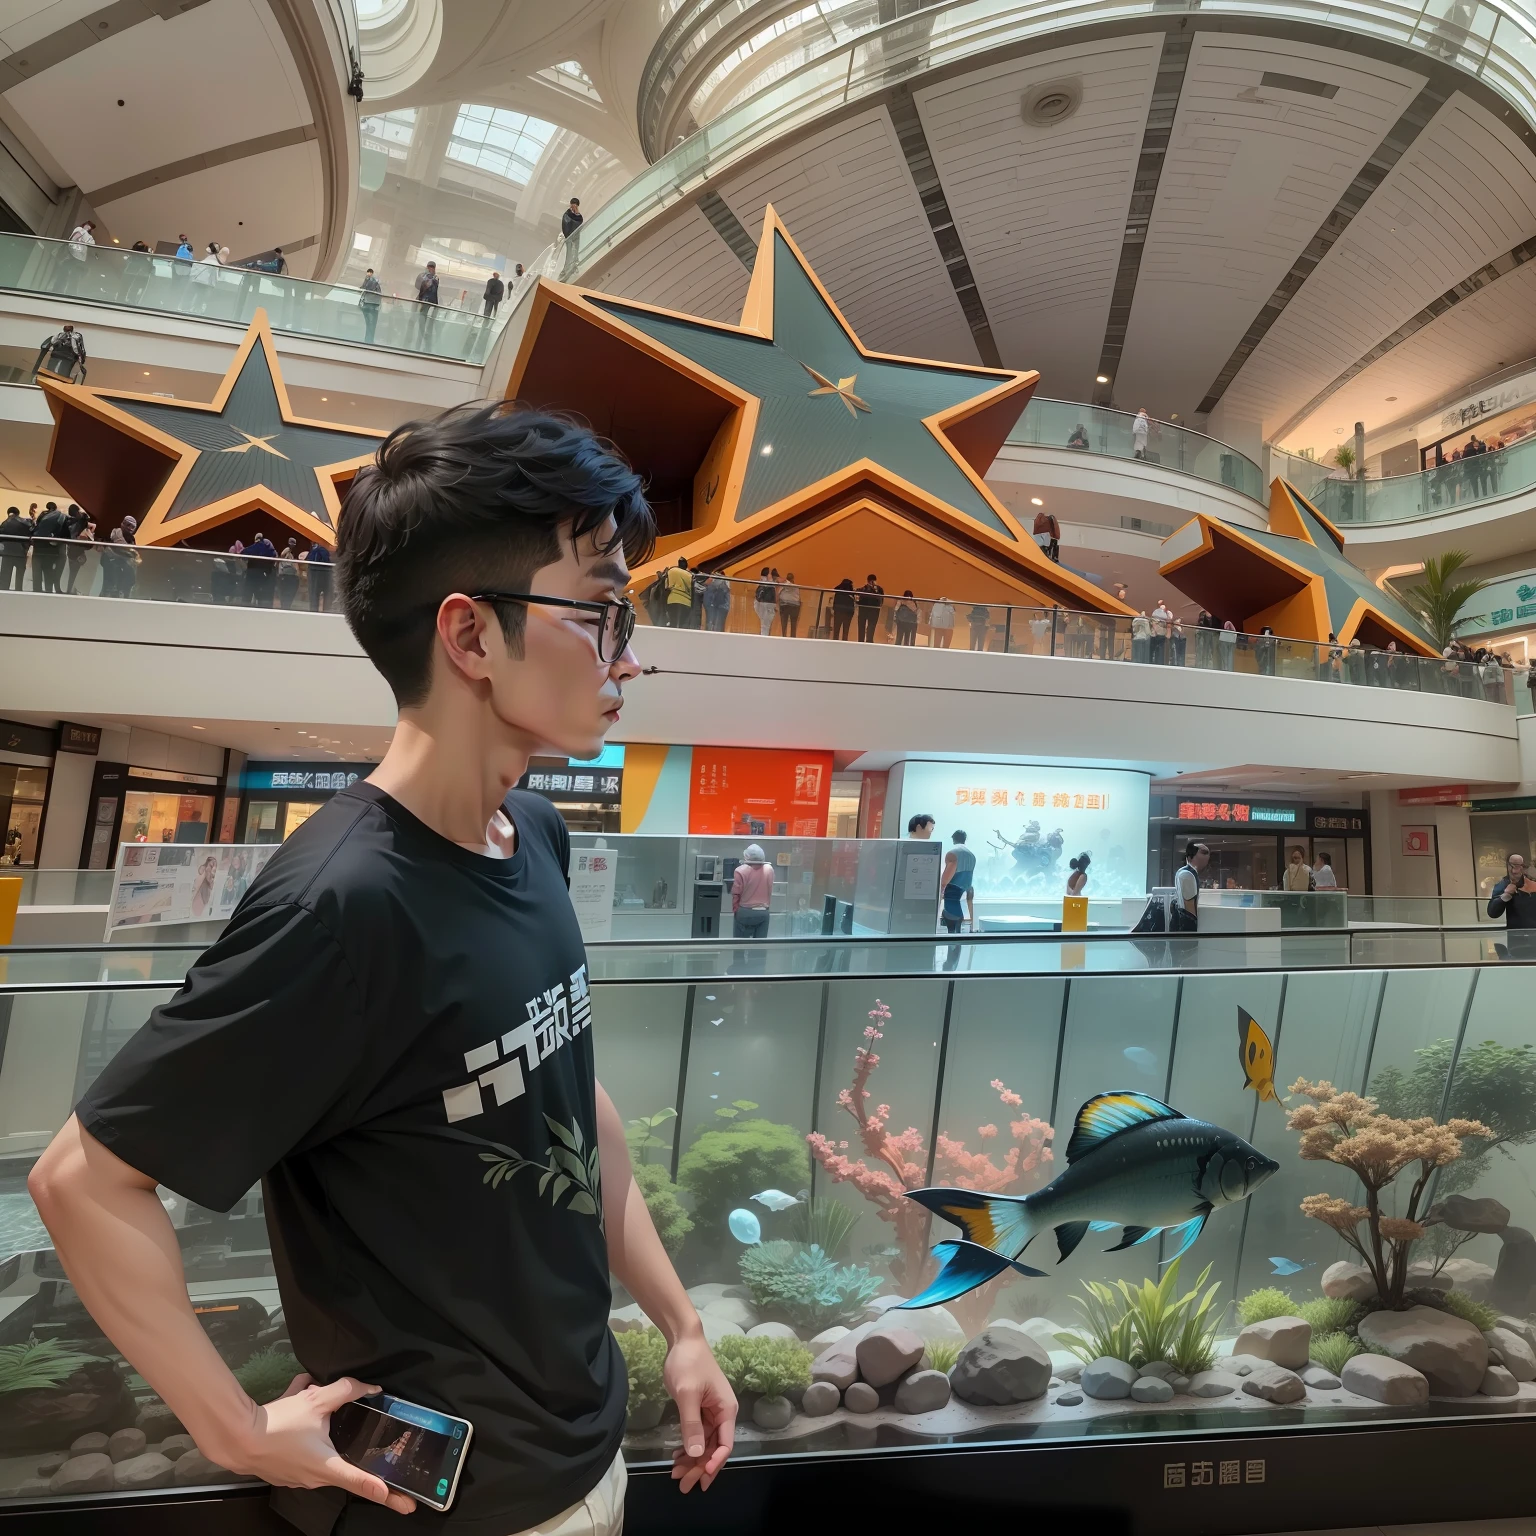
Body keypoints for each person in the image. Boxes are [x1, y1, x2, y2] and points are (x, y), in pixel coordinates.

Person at [27, 402, 735, 1536]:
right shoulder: (343, 908)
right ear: (469, 637)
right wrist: (232, 1428)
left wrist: (680, 1325)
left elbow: (567, 1102)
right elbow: (82, 1180)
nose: (630, 653)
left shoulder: (533, 834)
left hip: (588, 1447)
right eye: (602, 611)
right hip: (452, 1508)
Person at [730, 842, 774, 939]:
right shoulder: (769, 869)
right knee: (759, 947)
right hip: (763, 913)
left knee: (739, 946)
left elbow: (736, 893)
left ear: (746, 856)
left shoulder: (740, 870)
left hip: (745, 912)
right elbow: (770, 889)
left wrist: (736, 910)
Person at [1489, 854, 1536, 940]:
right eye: (1512, 866)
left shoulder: (1532, 883)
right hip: (1516, 939)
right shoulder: (1502, 885)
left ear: (1522, 867)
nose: (1515, 871)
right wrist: (1505, 896)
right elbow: (1492, 913)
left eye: (1519, 866)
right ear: (1507, 866)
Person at [940, 830, 976, 933]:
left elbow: (946, 877)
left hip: (954, 888)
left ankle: (953, 940)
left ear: (953, 839)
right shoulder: (971, 854)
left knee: (951, 921)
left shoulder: (953, 853)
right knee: (957, 922)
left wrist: (941, 889)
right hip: (968, 887)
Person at [33, 500, 69, 593]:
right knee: (48, 570)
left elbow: (37, 526)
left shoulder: (42, 515)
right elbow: (63, 531)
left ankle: (37, 591)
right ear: (55, 507)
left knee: (37, 571)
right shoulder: (59, 516)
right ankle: (48, 590)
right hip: (50, 548)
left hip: (38, 546)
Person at [1172, 840, 1209, 931]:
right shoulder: (1188, 875)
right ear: (1190, 857)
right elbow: (1189, 909)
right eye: (1203, 853)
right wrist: (1193, 929)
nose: (1207, 857)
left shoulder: (1184, 872)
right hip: (1185, 927)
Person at [0, 505, 31, 591]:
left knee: (5, 577)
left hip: (7, 553)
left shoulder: (5, 523)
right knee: (20, 576)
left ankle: (4, 592)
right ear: (18, 513)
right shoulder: (25, 522)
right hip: (21, 553)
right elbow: (30, 535)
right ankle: (19, 591)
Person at [246, 528, 278, 607]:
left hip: (255, 574)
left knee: (254, 594)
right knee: (260, 595)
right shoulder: (267, 549)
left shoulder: (254, 548)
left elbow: (243, 554)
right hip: (262, 575)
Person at [66, 506, 93, 593]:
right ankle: (72, 590)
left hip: (71, 551)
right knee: (76, 573)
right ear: (76, 512)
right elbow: (86, 518)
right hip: (77, 551)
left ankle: (69, 590)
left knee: (72, 573)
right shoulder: (80, 521)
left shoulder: (68, 521)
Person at [664, 556, 693, 627]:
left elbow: (667, 586)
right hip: (686, 602)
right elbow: (692, 589)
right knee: (683, 625)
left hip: (673, 599)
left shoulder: (672, 571)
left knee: (673, 623)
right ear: (686, 565)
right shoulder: (690, 575)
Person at [303, 540, 332, 611]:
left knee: (314, 596)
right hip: (321, 576)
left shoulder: (318, 550)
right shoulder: (318, 551)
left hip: (317, 576)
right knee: (318, 596)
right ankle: (322, 611)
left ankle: (316, 611)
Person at [414, 260, 440, 338]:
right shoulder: (435, 277)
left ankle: (422, 334)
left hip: (423, 299)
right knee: (423, 316)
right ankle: (423, 334)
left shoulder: (423, 275)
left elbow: (417, 285)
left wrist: (422, 289)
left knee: (421, 316)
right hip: (430, 301)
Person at [855, 574, 884, 642]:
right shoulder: (879, 589)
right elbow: (881, 600)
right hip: (874, 610)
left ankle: (861, 640)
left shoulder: (863, 588)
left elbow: (858, 599)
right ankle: (869, 640)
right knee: (871, 626)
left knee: (862, 626)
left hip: (863, 609)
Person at [358, 268, 382, 344]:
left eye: (369, 272)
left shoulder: (371, 280)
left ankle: (368, 341)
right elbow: (365, 287)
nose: (368, 274)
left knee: (370, 324)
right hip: (371, 303)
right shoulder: (371, 280)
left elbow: (366, 288)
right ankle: (369, 341)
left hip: (370, 303)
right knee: (370, 324)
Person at [277, 538, 301, 609]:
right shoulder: (287, 550)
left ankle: (286, 607)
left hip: (289, 574)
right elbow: (282, 555)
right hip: (284, 574)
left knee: (288, 594)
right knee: (284, 593)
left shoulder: (291, 554)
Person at [753, 568, 777, 635]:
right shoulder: (766, 583)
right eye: (770, 573)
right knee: (765, 625)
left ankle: (765, 637)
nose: (771, 575)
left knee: (766, 625)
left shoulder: (768, 583)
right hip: (765, 605)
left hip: (767, 605)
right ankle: (764, 638)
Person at [777, 572, 801, 637]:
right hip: (795, 606)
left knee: (784, 623)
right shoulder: (796, 587)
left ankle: (784, 636)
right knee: (793, 623)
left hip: (784, 606)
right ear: (793, 579)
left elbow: (778, 594)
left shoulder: (783, 585)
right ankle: (793, 637)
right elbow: (799, 598)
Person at [1150, 599, 1172, 664]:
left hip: (1163, 637)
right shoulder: (1156, 612)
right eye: (1160, 604)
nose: (1162, 605)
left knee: (1162, 655)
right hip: (1156, 636)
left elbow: (1169, 624)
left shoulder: (1168, 613)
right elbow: (1154, 623)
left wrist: (1168, 634)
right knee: (1155, 653)